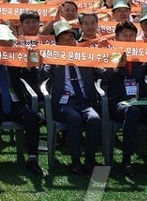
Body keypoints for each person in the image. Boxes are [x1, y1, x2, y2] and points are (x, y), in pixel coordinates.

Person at [102, 20, 147, 177]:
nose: (128, 38)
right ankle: (127, 160)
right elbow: (101, 75)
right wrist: (116, 67)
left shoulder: (142, 55)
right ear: (117, 38)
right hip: (118, 102)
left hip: (140, 100)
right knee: (132, 112)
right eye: (124, 35)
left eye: (131, 36)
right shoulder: (108, 54)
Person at [0, 23, 42, 174]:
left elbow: (32, 79)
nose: (6, 46)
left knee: (33, 117)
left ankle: (33, 158)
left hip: (15, 101)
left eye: (9, 43)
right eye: (2, 43)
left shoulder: (17, 57)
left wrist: (30, 65)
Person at [43, 20, 103, 174]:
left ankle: (90, 161)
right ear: (57, 43)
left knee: (95, 119)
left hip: (84, 102)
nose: (68, 41)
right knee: (73, 117)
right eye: (63, 39)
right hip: (64, 103)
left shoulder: (85, 57)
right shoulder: (53, 59)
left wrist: (116, 67)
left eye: (71, 38)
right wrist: (37, 62)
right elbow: (41, 75)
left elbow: (102, 73)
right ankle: (75, 161)